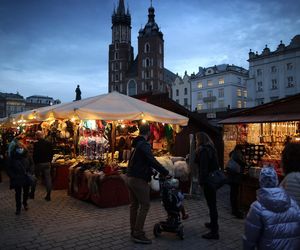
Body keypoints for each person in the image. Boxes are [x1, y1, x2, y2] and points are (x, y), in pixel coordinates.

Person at [126, 124, 169, 244]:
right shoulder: (144, 144)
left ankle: (133, 230)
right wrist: (165, 171)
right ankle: (138, 233)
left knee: (134, 206)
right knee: (145, 205)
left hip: (130, 177)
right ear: (149, 133)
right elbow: (151, 160)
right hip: (139, 179)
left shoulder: (135, 144)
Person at [243, 166, 300, 249]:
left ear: (260, 181)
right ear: (276, 180)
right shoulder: (293, 204)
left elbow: (249, 238)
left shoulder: (257, 208)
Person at [194, 131, 220, 240]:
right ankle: (213, 224)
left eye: (196, 139)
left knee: (212, 205)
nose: (195, 141)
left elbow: (203, 168)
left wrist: (201, 182)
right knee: (212, 204)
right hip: (212, 180)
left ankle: (214, 232)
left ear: (200, 140)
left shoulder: (204, 150)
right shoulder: (211, 148)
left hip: (208, 181)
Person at [6, 143, 34, 215]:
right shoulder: (12, 157)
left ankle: (25, 203)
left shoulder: (27, 155)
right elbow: (8, 168)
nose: (20, 149)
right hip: (17, 178)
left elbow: (31, 164)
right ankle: (18, 208)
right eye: (18, 148)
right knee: (18, 193)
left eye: (21, 147)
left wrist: (30, 173)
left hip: (26, 177)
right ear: (15, 149)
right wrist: (12, 176)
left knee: (26, 192)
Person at [33, 131, 53, 201]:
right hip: (47, 163)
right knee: (48, 179)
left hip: (39, 163)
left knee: (35, 178)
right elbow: (51, 153)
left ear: (37, 136)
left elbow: (35, 155)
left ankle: (32, 193)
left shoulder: (36, 144)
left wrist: (35, 163)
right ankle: (48, 195)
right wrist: (50, 161)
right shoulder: (49, 143)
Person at [227, 144, 246, 219]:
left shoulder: (233, 153)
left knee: (233, 192)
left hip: (232, 176)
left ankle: (234, 209)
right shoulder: (237, 153)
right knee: (234, 193)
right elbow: (242, 163)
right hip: (235, 176)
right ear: (240, 148)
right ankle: (235, 210)